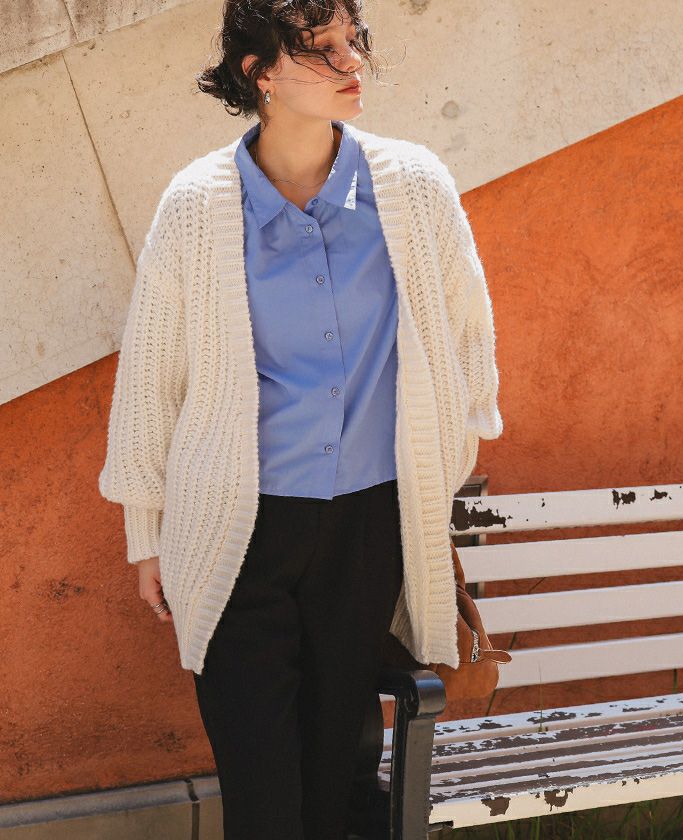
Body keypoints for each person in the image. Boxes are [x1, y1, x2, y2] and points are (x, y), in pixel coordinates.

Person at [98, 0, 503, 837]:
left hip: (367, 528)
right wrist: (146, 532)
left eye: (353, 40)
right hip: (235, 530)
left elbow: (468, 339)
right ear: (261, 73)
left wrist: (439, 469)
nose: (351, 62)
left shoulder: (413, 187)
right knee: (262, 789)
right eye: (320, 49)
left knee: (334, 775)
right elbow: (153, 375)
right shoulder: (196, 205)